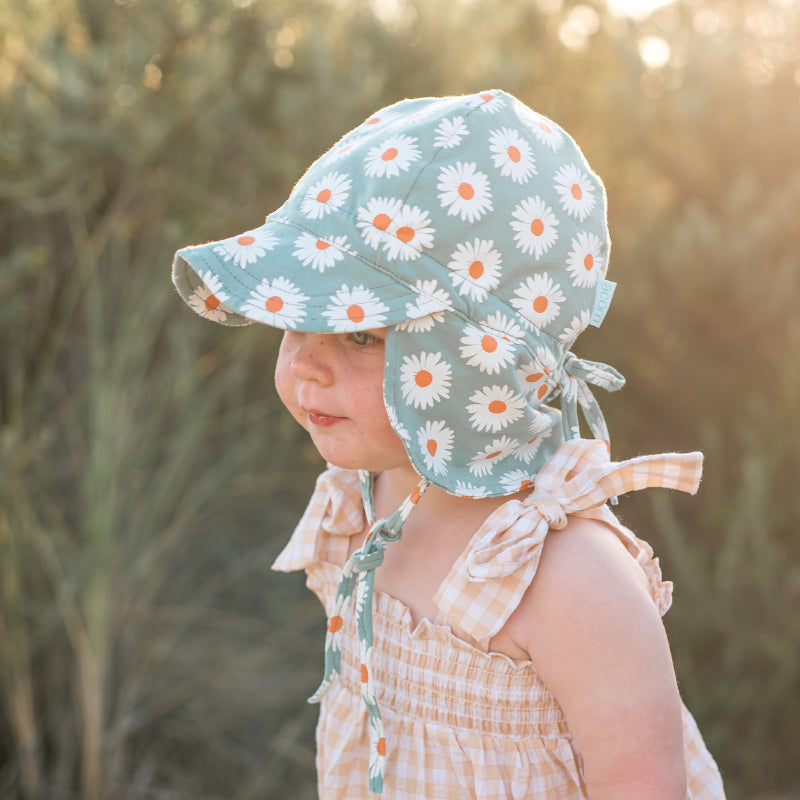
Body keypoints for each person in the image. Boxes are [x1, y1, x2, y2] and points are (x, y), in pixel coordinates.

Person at [171, 90, 725, 799]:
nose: (305, 362)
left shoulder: (567, 578)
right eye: (297, 318)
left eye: (361, 334)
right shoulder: (364, 506)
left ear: (469, 364)